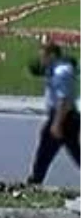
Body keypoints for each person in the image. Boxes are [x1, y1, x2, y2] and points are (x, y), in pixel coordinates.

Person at [27, 41, 81, 185]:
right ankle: (35, 180)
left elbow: (64, 100)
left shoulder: (61, 73)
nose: (41, 59)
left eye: (43, 56)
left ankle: (35, 182)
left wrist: (57, 124)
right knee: (74, 151)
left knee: (45, 151)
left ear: (52, 55)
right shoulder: (56, 68)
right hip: (65, 117)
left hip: (63, 117)